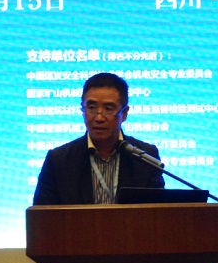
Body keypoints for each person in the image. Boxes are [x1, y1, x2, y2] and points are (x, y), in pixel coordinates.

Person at [33, 72, 164, 206]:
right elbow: (41, 214)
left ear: (124, 113)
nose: (99, 118)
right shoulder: (59, 160)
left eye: (108, 109)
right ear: (82, 110)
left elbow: (157, 213)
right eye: (92, 108)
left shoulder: (145, 158)